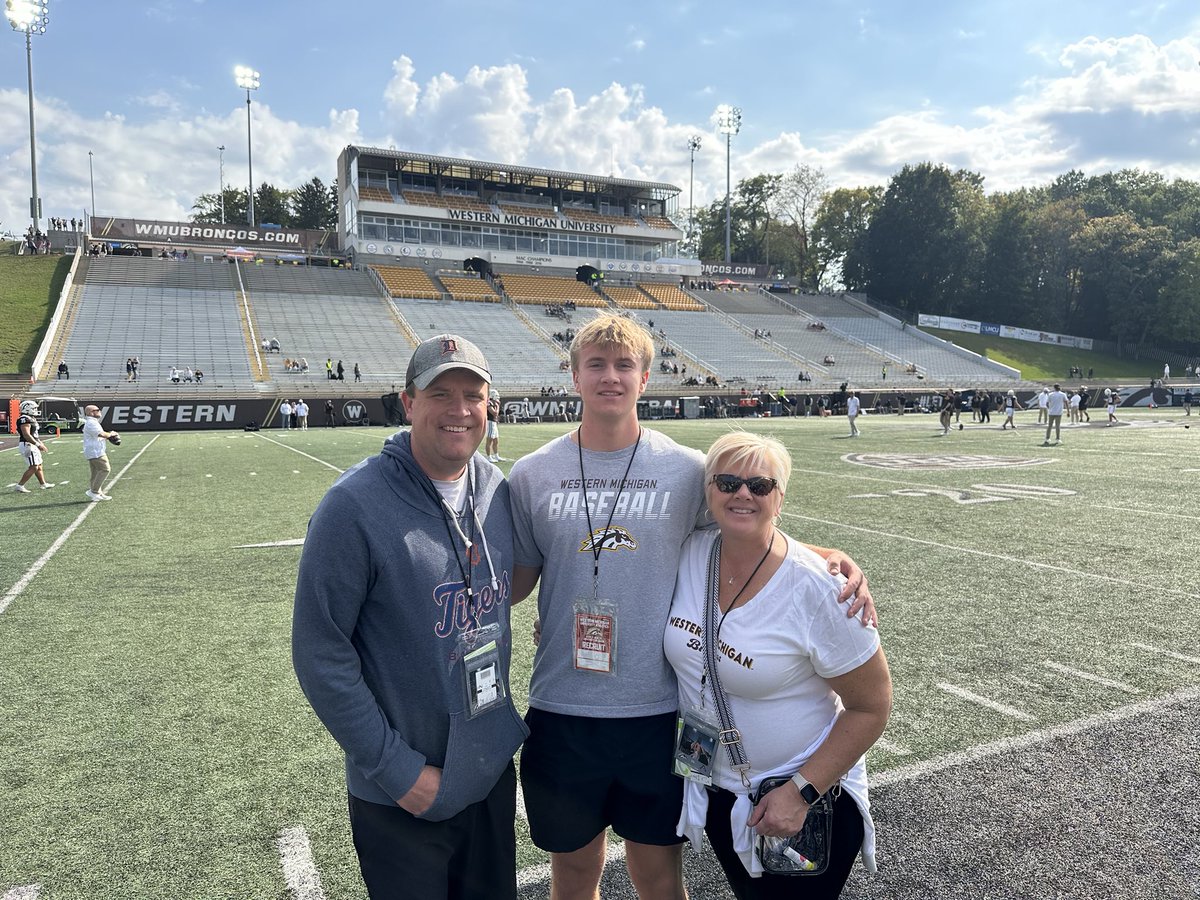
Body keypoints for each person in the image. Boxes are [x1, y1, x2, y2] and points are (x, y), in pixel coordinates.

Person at [507, 314, 876, 900]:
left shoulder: (684, 470)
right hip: (561, 706)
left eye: (624, 365)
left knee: (656, 876)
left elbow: (748, 526)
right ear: (573, 376)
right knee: (573, 874)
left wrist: (827, 556)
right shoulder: (530, 475)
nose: (610, 376)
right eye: (596, 365)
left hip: (657, 714)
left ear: (646, 377)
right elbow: (518, 581)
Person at [292, 334, 528, 900]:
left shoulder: (496, 490)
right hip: (403, 794)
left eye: (473, 394)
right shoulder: (353, 506)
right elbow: (320, 653)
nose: (459, 410)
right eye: (440, 392)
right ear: (408, 402)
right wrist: (398, 772)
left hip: (489, 778)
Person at [665, 432, 891, 899]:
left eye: (760, 485)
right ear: (708, 492)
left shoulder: (822, 591)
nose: (742, 493)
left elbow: (872, 706)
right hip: (719, 789)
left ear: (779, 497)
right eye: (727, 482)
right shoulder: (690, 551)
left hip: (803, 802)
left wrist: (801, 792)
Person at [12, 400, 55, 492]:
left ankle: (43, 484)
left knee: (39, 465)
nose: (35, 410)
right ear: (27, 408)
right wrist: (38, 444)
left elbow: (34, 434)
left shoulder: (30, 418)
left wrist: (40, 443)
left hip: (32, 444)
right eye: (34, 408)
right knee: (34, 466)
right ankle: (20, 485)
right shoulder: (24, 419)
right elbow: (26, 435)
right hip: (28, 444)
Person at [82, 404, 118, 501]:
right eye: (97, 410)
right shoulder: (91, 423)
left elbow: (98, 436)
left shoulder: (93, 422)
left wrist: (108, 436)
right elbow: (101, 434)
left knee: (96, 472)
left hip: (94, 450)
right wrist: (111, 434)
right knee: (105, 469)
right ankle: (93, 491)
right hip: (95, 451)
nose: (99, 411)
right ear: (91, 412)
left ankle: (98, 493)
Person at [485, 393, 503, 462]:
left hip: (494, 422)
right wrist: (497, 406)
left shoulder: (493, 403)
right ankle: (488, 457)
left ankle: (496, 455)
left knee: (496, 440)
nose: (497, 398)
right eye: (496, 396)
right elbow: (494, 413)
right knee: (489, 440)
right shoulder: (489, 403)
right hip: (490, 423)